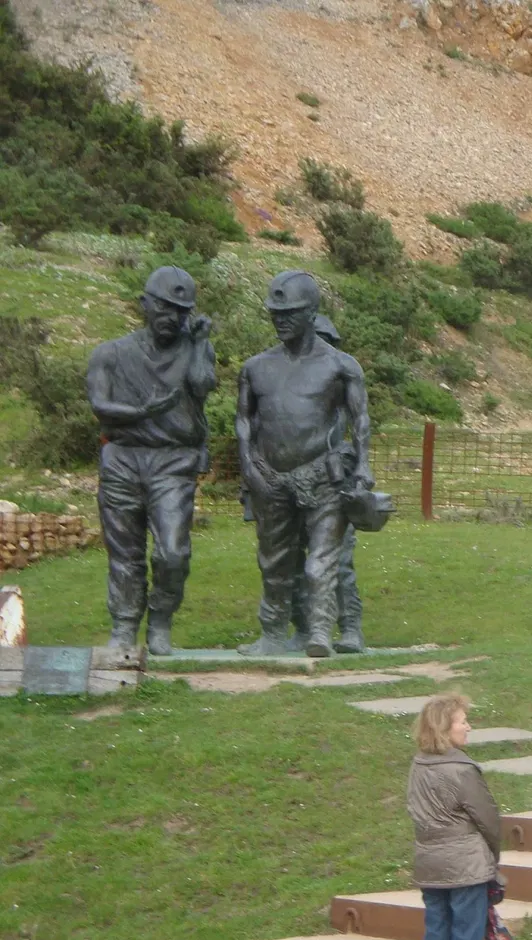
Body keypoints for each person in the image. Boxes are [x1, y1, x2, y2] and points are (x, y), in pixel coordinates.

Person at [236, 270, 373, 657]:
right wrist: (248, 466)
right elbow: (244, 420)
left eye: (289, 313)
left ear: (312, 313)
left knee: (322, 564)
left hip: (323, 477)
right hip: (271, 479)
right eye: (274, 313)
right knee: (275, 563)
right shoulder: (255, 368)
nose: (279, 320)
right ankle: (273, 634)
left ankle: (321, 633)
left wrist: (363, 465)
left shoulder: (341, 366)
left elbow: (361, 419)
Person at [86, 266, 217, 655]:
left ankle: (160, 619)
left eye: (181, 311)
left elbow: (202, 386)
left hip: (173, 461)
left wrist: (200, 344)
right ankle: (125, 626)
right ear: (144, 304)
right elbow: (100, 406)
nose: (172, 317)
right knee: (124, 554)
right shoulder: (110, 354)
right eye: (164, 307)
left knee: (172, 552)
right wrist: (144, 411)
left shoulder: (195, 349)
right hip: (122, 459)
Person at [407, 693, 500, 940]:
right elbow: (488, 819)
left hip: (430, 865)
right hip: (466, 868)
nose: (468, 727)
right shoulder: (462, 769)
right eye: (463, 721)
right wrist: (492, 859)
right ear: (446, 728)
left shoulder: (418, 766)